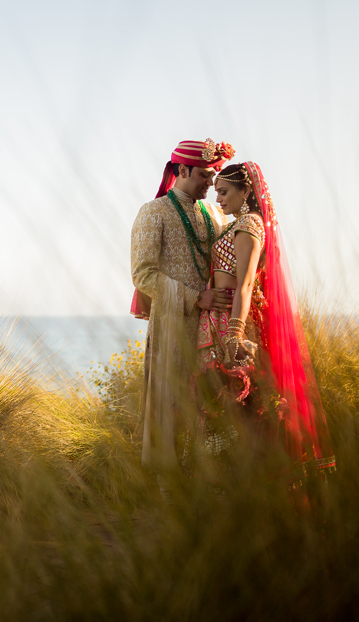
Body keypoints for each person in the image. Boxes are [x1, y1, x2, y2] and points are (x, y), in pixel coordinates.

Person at [195, 161, 336, 486]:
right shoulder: (240, 225)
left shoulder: (248, 225)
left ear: (246, 190)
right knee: (233, 414)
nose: (219, 199)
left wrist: (234, 334)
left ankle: (257, 491)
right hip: (223, 320)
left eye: (225, 192)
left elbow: (244, 284)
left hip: (234, 323)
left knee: (247, 413)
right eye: (216, 193)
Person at [130, 138, 236, 472]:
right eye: (205, 175)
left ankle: (208, 482)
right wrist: (194, 298)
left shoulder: (213, 213)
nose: (211, 183)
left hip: (212, 328)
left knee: (212, 403)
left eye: (214, 175)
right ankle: (169, 490)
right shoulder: (153, 212)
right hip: (173, 325)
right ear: (182, 170)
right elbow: (142, 274)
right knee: (172, 402)